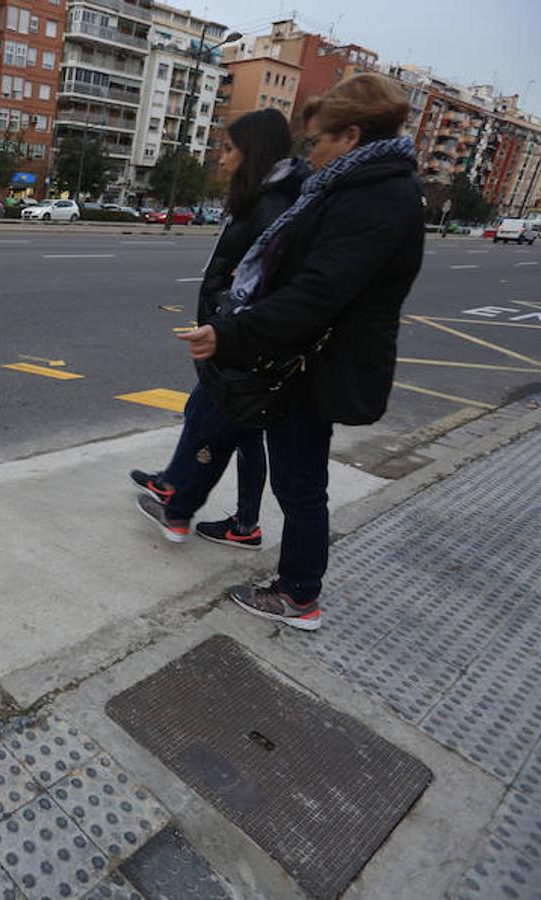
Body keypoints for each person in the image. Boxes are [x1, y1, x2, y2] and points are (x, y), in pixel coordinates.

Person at [172, 73, 424, 631]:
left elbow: (319, 293)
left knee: (301, 484)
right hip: (303, 357)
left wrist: (231, 333)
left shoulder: (377, 196)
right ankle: (244, 538)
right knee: (293, 475)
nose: (311, 154)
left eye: (318, 142)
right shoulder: (358, 186)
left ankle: (297, 595)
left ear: (352, 136)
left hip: (316, 363)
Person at [131, 109, 309, 550]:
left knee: (221, 426)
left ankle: (179, 508)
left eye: (229, 149)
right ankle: (190, 496)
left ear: (254, 153)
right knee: (221, 421)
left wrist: (227, 316)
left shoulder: (271, 206)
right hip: (233, 340)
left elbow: (264, 284)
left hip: (239, 345)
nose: (221, 158)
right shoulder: (262, 199)